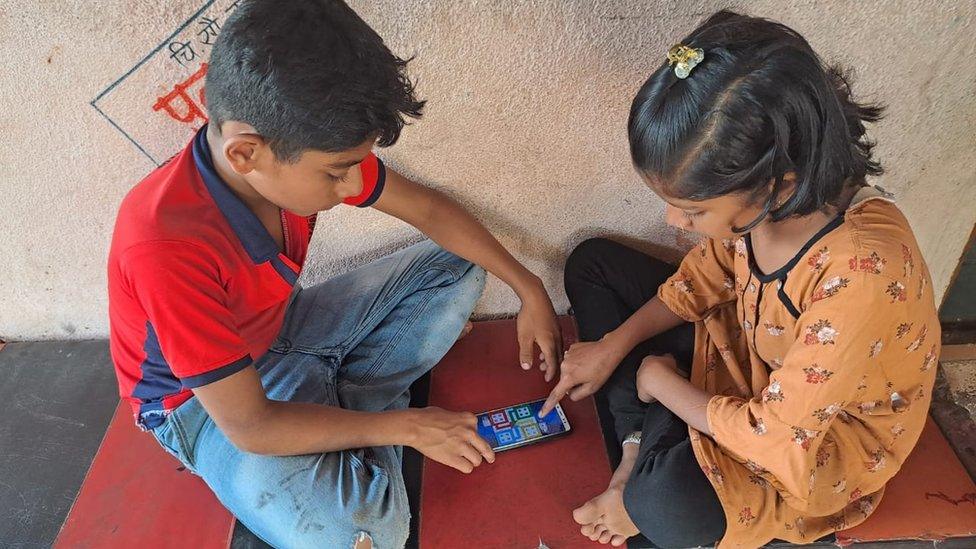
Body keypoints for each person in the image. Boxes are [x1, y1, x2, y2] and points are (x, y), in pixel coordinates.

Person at [106, 1, 563, 547]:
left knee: (460, 265)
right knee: (366, 532)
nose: (352, 186)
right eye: (336, 172)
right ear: (247, 153)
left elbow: (431, 213)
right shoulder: (166, 247)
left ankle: (339, 406)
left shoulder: (294, 149)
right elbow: (250, 426)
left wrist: (528, 287)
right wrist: (411, 428)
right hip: (203, 410)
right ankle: (361, 403)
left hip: (283, 331)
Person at [541, 10, 940, 548]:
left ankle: (637, 450)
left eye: (692, 210)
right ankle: (645, 438)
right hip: (748, 354)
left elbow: (776, 437)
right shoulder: (777, 205)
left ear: (778, 184)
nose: (674, 223)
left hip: (807, 439)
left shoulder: (860, 273)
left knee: (665, 506)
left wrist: (660, 380)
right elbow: (701, 282)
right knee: (592, 263)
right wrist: (614, 346)